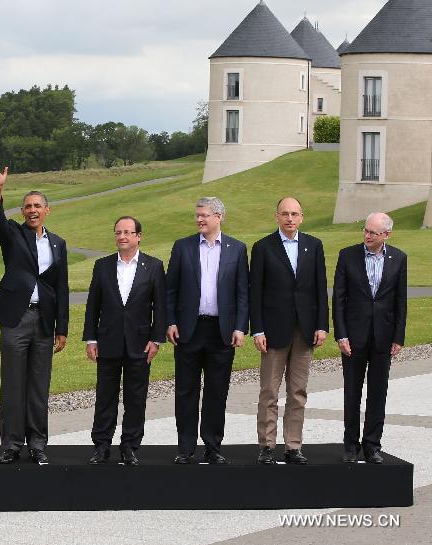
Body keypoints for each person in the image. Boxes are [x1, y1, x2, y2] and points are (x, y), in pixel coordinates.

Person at [0, 159, 69, 465]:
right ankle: (11, 444)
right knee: (13, 384)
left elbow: (62, 287)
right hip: (15, 319)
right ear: (22, 212)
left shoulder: (58, 244)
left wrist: (62, 329)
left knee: (38, 385)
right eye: (27, 206)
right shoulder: (12, 235)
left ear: (47, 210)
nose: (32, 210)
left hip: (44, 321)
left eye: (37, 205)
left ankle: (38, 444)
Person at [166, 197, 248, 464]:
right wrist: (171, 321)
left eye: (204, 215)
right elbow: (171, 290)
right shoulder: (183, 247)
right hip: (189, 330)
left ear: (219, 216)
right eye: (197, 215)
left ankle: (213, 447)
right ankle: (186, 448)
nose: (199, 219)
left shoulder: (237, 249)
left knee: (217, 392)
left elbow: (241, 293)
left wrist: (240, 327)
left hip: (221, 332)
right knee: (186, 391)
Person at [250, 197, 327, 465]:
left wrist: (321, 325)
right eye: (285, 214)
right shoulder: (263, 248)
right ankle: (267, 446)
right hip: (273, 330)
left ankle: (293, 445)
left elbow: (320, 289)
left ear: (302, 217)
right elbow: (255, 293)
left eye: (294, 214)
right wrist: (257, 329)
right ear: (277, 216)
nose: (290, 219)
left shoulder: (314, 246)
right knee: (269, 391)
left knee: (298, 391)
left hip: (305, 329)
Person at [83, 216, 166, 466]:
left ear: (138, 236)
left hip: (140, 343)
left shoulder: (153, 266)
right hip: (107, 341)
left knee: (135, 397)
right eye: (118, 232)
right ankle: (101, 445)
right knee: (105, 396)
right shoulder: (103, 266)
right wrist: (90, 338)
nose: (122, 237)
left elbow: (160, 307)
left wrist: (156, 339)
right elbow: (92, 306)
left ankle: (130, 446)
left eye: (128, 232)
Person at [333, 212, 407, 464]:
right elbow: (339, 300)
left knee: (378, 392)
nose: (367, 236)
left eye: (373, 233)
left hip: (384, 338)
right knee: (352, 393)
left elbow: (400, 301)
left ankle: (372, 445)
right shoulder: (347, 255)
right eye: (365, 230)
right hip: (353, 338)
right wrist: (341, 334)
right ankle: (351, 446)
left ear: (386, 234)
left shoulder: (399, 258)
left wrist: (398, 336)